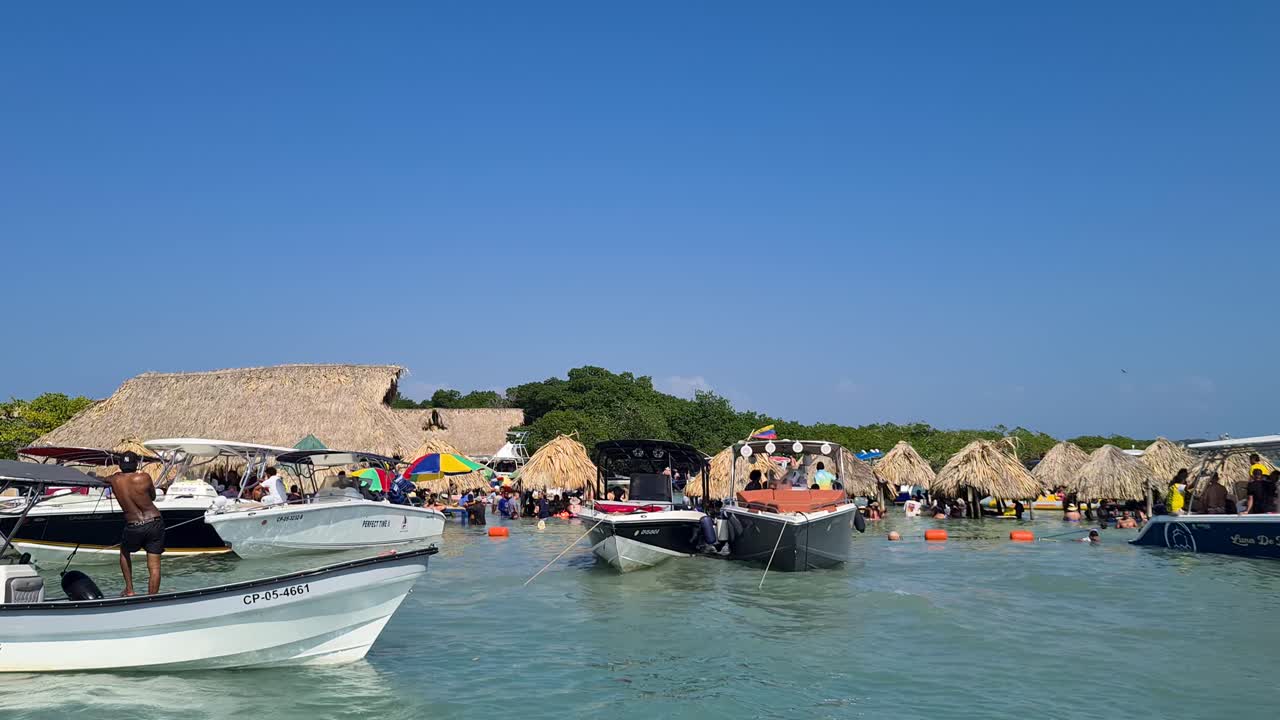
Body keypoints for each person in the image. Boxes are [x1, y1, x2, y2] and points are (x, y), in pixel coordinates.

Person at [107, 452, 164, 596]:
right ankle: (152, 598)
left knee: (124, 552)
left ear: (120, 465)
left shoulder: (114, 480)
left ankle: (130, 590)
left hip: (134, 525)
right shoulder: (144, 477)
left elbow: (100, 479)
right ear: (136, 464)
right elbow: (153, 496)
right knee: (154, 566)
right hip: (154, 521)